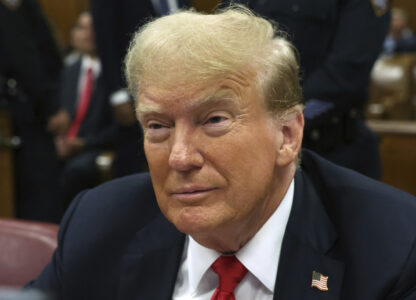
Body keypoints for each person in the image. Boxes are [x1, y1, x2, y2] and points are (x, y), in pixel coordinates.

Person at [27, 6, 416, 299]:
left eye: (213, 120)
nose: (180, 157)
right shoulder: (99, 225)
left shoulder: (392, 248)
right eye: (158, 126)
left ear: (287, 135)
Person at [222, 0, 391, 180]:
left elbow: (345, 76)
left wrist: (278, 120)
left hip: (332, 151)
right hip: (254, 145)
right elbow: (225, 52)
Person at [90, 0, 191, 177]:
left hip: (183, 80)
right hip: (134, 85)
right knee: (137, 154)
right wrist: (117, 94)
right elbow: (105, 38)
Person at [0, 0, 62, 222]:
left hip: (31, 116)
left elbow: (46, 57)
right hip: (19, 114)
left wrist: (54, 105)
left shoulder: (27, 9)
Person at [47, 11, 117, 208]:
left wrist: (83, 143)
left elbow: (121, 127)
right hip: (63, 145)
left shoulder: (114, 74)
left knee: (75, 171)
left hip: (95, 147)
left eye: (92, 28)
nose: (87, 34)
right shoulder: (68, 70)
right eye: (81, 28)